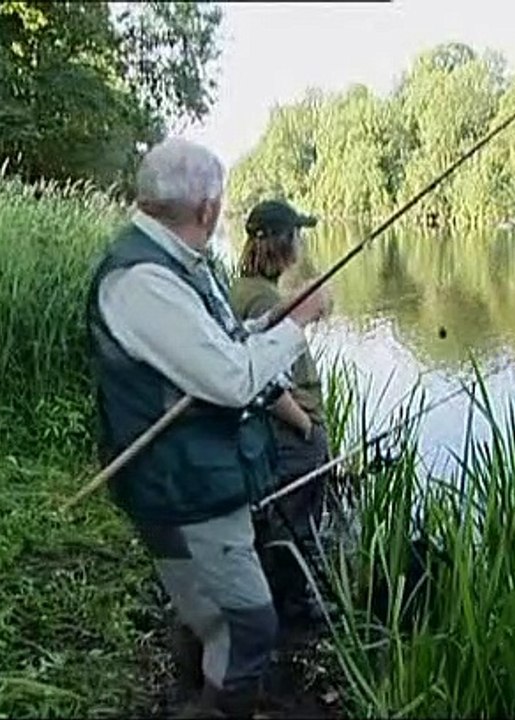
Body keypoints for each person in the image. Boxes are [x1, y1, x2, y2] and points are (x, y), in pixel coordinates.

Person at [85, 138, 330, 718]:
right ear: (207, 210)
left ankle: (199, 687)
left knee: (210, 610)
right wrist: (296, 323)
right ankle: (217, 706)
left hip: (199, 476)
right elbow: (231, 379)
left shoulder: (179, 266)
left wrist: (271, 322)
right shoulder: (143, 278)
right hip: (183, 484)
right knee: (249, 624)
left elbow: (218, 347)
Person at [228, 199, 335, 628]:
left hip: (278, 435)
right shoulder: (259, 300)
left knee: (280, 519)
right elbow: (267, 381)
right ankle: (290, 613)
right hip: (291, 436)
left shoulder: (247, 290)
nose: (301, 240)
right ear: (281, 241)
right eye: (297, 233)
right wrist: (306, 426)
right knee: (295, 522)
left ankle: (273, 603)